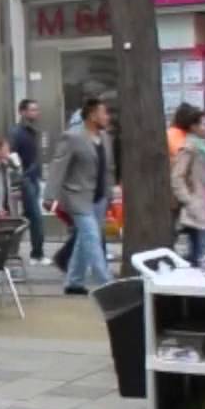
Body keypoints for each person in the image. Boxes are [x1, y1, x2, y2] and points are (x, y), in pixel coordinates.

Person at [45, 98, 114, 296]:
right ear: (92, 115)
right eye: (103, 113)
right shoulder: (72, 137)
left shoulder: (105, 138)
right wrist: (49, 196)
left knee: (83, 240)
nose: (107, 117)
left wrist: (109, 193)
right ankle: (106, 283)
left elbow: (108, 168)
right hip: (77, 196)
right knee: (92, 237)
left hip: (99, 197)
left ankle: (74, 281)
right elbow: (58, 167)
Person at [169, 105, 205, 266]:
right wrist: (189, 201)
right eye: (203, 124)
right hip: (198, 205)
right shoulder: (189, 147)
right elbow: (177, 177)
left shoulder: (204, 146)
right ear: (193, 127)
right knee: (200, 252)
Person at [11, 99, 46, 264]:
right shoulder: (17, 132)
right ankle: (37, 254)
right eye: (32, 110)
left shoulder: (34, 132)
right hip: (25, 179)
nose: (36, 113)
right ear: (22, 112)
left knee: (29, 216)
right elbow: (12, 157)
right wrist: (17, 182)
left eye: (36, 110)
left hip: (34, 178)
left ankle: (17, 250)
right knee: (36, 216)